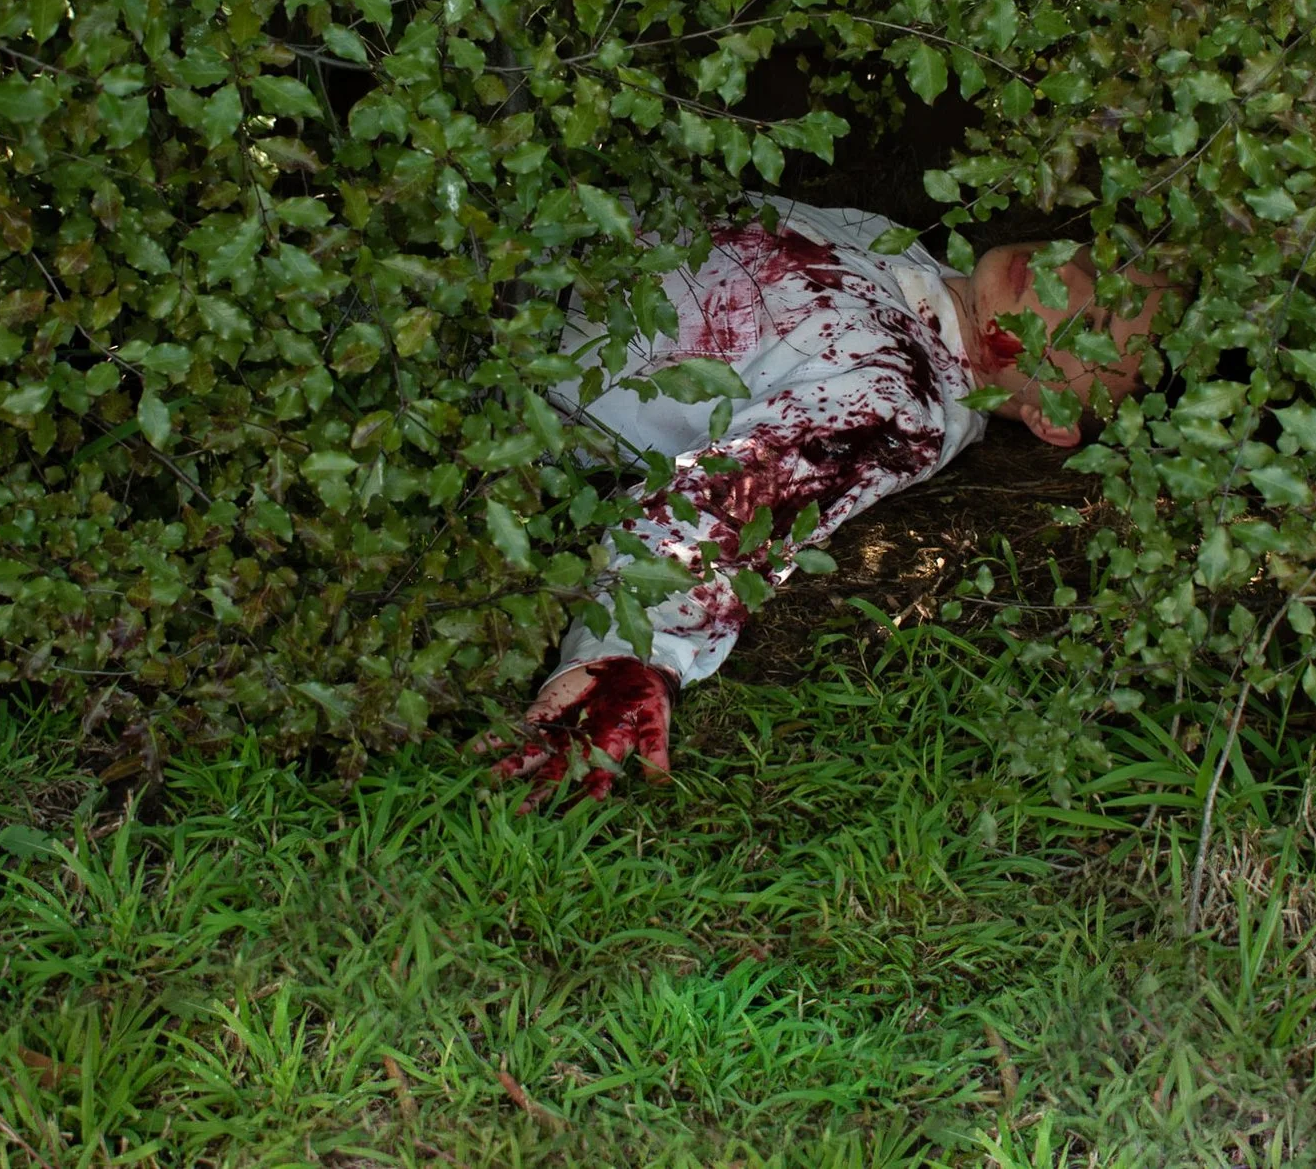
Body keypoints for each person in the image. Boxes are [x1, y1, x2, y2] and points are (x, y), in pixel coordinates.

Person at [485, 198, 1167, 803]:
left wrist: (622, 661)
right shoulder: (906, 251)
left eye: (1087, 319)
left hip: (494, 324)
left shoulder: (901, 401)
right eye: (1091, 259)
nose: (1064, 278)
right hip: (513, 205)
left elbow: (734, 509)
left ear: (1050, 413)